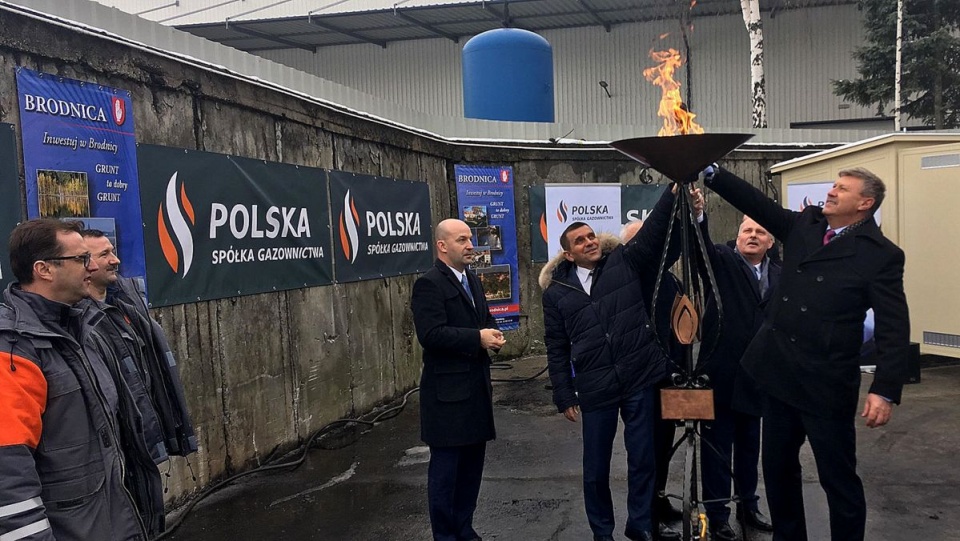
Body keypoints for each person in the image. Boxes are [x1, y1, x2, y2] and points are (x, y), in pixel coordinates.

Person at [702, 166, 911, 541]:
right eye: (833, 185)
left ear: (865, 203)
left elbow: (894, 325)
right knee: (779, 471)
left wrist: (885, 387)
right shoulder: (806, 225)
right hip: (779, 373)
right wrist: (714, 173)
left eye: (842, 189)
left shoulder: (881, 256)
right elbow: (758, 204)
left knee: (838, 478)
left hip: (826, 383)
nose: (831, 192)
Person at [540, 187, 700, 541]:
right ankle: (602, 531)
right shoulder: (556, 293)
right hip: (595, 387)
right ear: (567, 253)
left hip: (637, 378)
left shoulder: (622, 263)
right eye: (580, 240)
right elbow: (556, 345)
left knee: (643, 460)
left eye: (591, 235)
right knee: (595, 468)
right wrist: (564, 395)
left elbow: (655, 230)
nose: (589, 242)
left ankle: (640, 524)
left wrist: (672, 194)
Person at [0, 219, 155, 540]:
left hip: (112, 519)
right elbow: (8, 473)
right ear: (44, 269)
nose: (92, 266)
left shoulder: (85, 328)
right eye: (81, 259)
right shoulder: (13, 350)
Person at [411, 218, 505, 541]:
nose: (470, 246)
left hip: (476, 394)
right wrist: (476, 338)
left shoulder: (473, 280)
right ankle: (446, 536)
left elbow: (483, 318)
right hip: (447, 399)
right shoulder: (429, 284)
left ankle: (464, 530)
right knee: (446, 476)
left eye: (470, 239)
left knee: (470, 474)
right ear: (442, 246)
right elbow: (431, 335)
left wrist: (490, 332)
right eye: (462, 240)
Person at [79, 229, 197, 463]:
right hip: (118, 454)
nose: (116, 260)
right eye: (105, 254)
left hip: (144, 444)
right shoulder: (80, 322)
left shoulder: (128, 304)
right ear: (85, 264)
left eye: (113, 251)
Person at [697, 216, 779, 540]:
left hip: (758, 379)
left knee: (749, 449)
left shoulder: (780, 273)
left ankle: (749, 506)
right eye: (747, 230)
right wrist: (701, 217)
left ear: (770, 242)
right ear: (737, 236)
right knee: (716, 451)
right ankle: (717, 514)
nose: (753, 236)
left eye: (761, 231)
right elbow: (701, 248)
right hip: (721, 376)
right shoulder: (722, 261)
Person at [619, 219, 682, 541]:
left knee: (663, 447)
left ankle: (658, 503)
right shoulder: (633, 276)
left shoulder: (668, 278)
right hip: (642, 378)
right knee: (643, 453)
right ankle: (643, 520)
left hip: (668, 376)